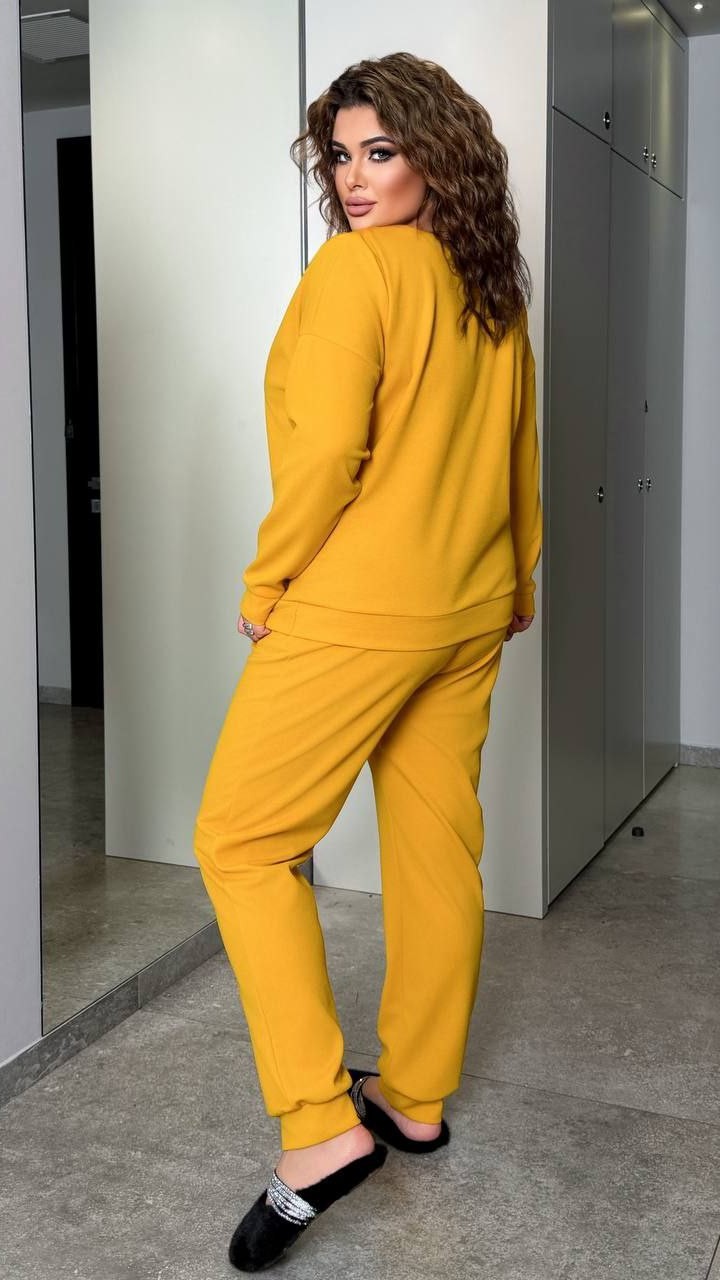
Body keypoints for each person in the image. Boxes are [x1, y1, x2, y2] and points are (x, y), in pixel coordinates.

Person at [193, 49, 541, 1273]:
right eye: (339, 155)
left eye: (379, 151)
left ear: (436, 155)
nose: (353, 178)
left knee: (242, 840)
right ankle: (415, 1096)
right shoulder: (489, 283)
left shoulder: (359, 270)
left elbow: (329, 449)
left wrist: (267, 581)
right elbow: (519, 446)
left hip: (360, 607)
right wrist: (520, 576)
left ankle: (319, 1125)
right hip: (469, 606)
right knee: (437, 847)